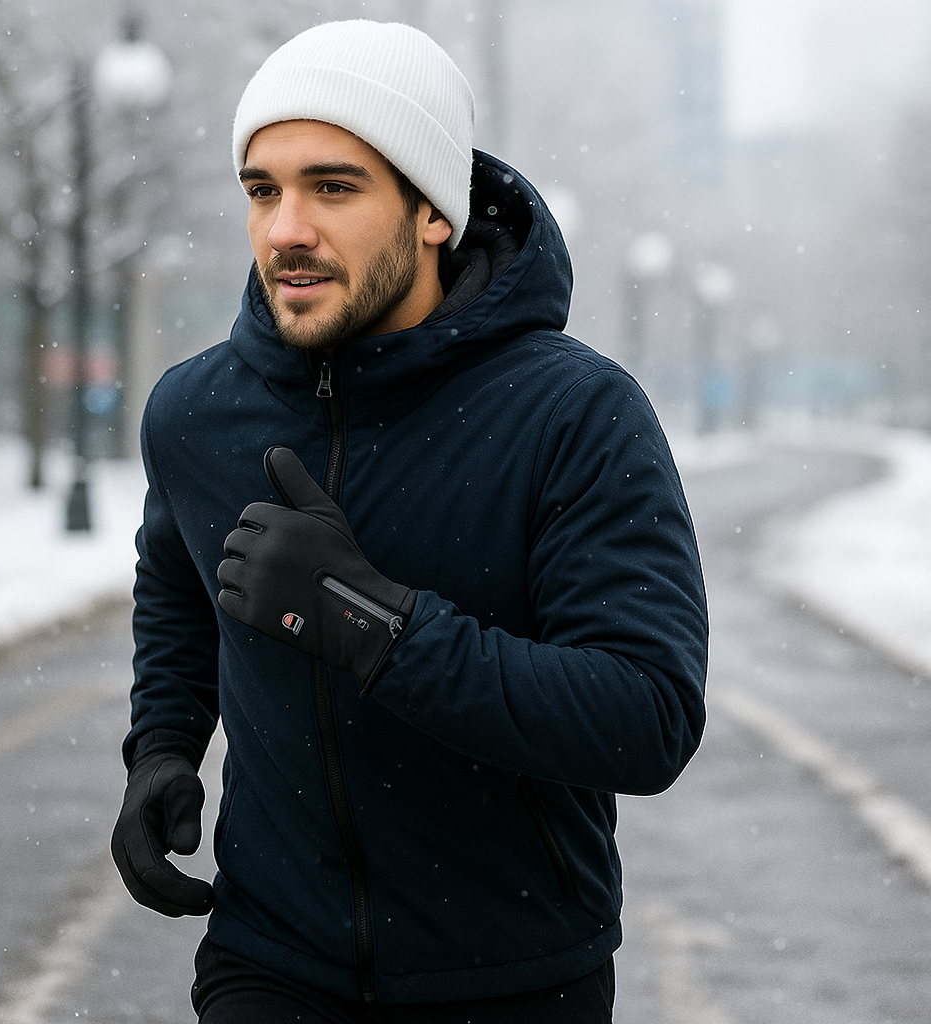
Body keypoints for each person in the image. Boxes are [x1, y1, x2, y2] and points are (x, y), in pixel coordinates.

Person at [111, 19, 708, 1024]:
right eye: (263, 189)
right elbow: (176, 586)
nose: (285, 227)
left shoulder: (573, 414)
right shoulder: (194, 411)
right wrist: (161, 747)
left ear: (433, 211)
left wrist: (367, 622)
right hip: (269, 961)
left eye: (332, 187)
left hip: (514, 978)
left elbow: (644, 716)